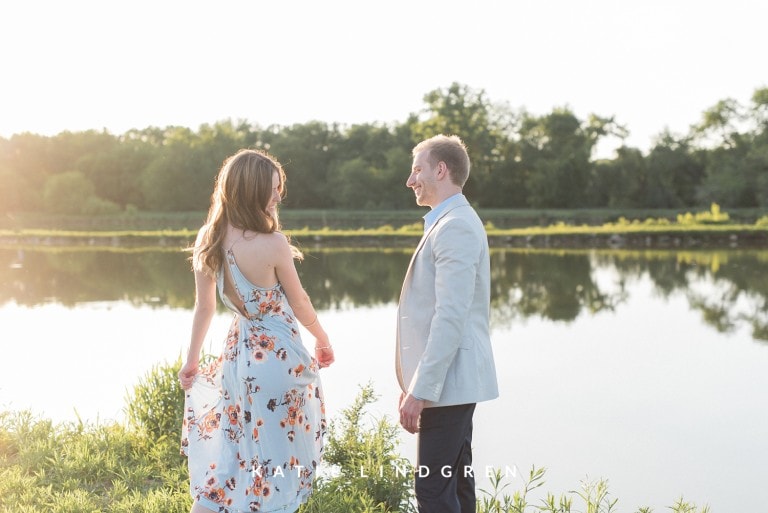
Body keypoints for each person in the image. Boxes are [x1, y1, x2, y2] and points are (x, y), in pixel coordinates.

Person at [178, 148, 334, 513]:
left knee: (237, 454)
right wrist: (323, 339)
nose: (279, 195)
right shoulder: (273, 244)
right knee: (277, 461)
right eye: (274, 188)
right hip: (278, 361)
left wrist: (191, 361)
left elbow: (204, 307)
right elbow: (300, 304)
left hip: (236, 360)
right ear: (253, 189)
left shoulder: (209, 239)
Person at [396, 134, 499, 513]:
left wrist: (420, 389)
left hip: (447, 385)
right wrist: (414, 384)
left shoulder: (455, 225)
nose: (411, 180)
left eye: (417, 169)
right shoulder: (449, 222)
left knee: (433, 491)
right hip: (446, 383)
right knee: (455, 487)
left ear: (441, 170)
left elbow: (450, 316)